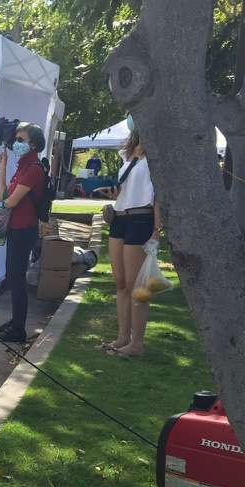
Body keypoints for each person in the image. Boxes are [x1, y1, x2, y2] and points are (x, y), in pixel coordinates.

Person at [103, 127, 161, 358]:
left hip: (141, 218)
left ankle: (137, 343)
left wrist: (157, 229)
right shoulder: (128, 154)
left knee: (137, 285)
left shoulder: (157, 156)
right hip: (119, 217)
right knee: (121, 283)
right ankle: (122, 337)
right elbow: (127, 191)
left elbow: (158, 196)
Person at [0, 122, 47, 343]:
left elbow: (10, 201)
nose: (16, 143)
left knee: (16, 278)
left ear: (33, 144)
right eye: (16, 139)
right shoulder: (23, 167)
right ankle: (15, 322)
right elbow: (3, 194)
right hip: (16, 228)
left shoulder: (33, 168)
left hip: (24, 229)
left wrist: (5, 202)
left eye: (21, 140)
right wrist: (2, 167)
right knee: (13, 278)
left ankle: (18, 329)